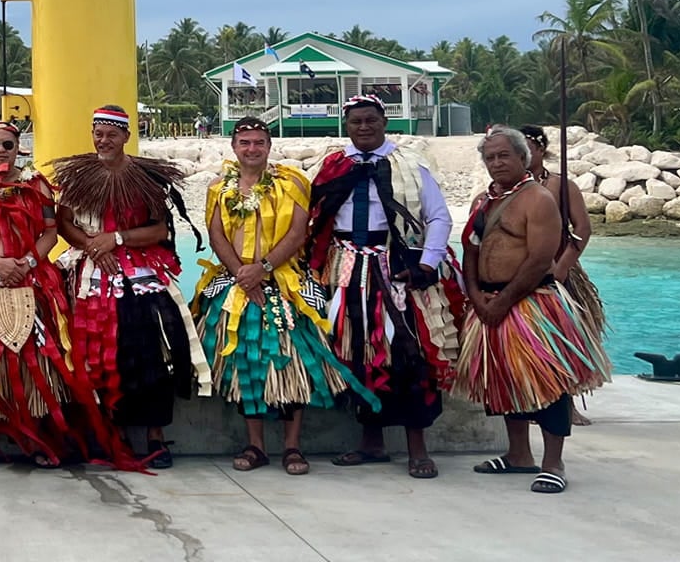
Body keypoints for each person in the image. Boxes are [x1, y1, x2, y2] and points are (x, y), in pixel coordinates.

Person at [194, 117, 379, 475]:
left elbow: (297, 233)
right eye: (244, 142)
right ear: (233, 147)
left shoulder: (292, 182)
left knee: (291, 359)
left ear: (269, 146)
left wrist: (262, 268)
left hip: (284, 280)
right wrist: (242, 275)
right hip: (236, 281)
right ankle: (255, 445)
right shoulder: (219, 187)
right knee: (244, 361)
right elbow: (216, 234)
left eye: (258, 142)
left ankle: (292, 447)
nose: (251, 149)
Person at [0, 119, 130, 469]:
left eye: (8, 145)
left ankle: (39, 440)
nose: (1, 151)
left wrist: (27, 261)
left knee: (41, 363)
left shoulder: (38, 186)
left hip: (31, 277)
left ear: (19, 148)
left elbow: (51, 231)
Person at [306, 94, 462, 480]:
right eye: (356, 121)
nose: (363, 127)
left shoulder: (409, 166)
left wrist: (426, 264)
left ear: (384, 122)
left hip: (396, 267)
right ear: (346, 125)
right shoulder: (332, 166)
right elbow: (314, 216)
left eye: (370, 120)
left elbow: (438, 217)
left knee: (409, 353)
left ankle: (417, 448)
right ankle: (370, 443)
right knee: (357, 352)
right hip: (345, 268)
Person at [456, 127, 612, 495]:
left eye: (503, 156)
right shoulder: (483, 201)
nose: (496, 163)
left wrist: (504, 300)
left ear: (522, 157)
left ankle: (553, 463)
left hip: (531, 304)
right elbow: (471, 251)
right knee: (504, 381)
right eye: (490, 157)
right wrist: (476, 296)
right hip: (489, 303)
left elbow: (541, 258)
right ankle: (518, 456)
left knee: (550, 383)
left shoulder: (538, 199)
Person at [54, 104, 209, 469]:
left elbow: (159, 230)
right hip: (93, 270)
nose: (103, 140)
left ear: (126, 136)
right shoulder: (77, 176)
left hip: (140, 271)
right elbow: (64, 224)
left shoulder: (147, 178)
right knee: (99, 354)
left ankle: (155, 435)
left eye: (111, 134)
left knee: (153, 351)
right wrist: (93, 244)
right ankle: (114, 435)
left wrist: (117, 239)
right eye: (98, 133)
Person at [521, 123, 606, 427]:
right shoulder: (508, 186)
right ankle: (529, 402)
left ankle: (566, 405)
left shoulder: (561, 185)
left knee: (566, 340)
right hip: (519, 275)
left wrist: (562, 268)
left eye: (528, 148)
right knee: (529, 343)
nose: (523, 154)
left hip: (558, 272)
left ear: (541, 149)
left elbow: (582, 229)